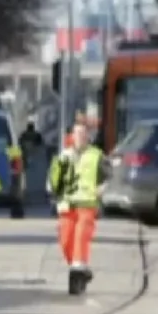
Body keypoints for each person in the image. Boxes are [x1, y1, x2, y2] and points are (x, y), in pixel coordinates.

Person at [48, 122, 109, 295]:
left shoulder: (96, 155)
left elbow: (108, 176)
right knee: (66, 240)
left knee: (81, 237)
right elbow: (53, 177)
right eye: (77, 134)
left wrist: (102, 189)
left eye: (83, 134)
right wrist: (53, 192)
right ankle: (82, 270)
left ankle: (77, 273)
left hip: (87, 204)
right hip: (67, 205)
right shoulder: (64, 155)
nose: (80, 137)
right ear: (71, 136)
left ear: (88, 137)